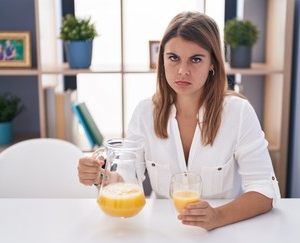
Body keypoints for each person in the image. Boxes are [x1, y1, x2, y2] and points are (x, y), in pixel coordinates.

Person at [77, 11, 280, 231]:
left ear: (212, 62)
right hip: (164, 231)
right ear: (162, 59)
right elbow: (127, 179)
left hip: (225, 233)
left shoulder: (239, 113)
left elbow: (264, 190)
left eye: (196, 59)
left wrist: (217, 216)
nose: (183, 71)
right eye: (173, 58)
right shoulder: (145, 113)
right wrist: (100, 176)